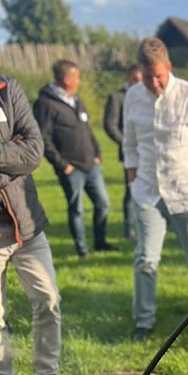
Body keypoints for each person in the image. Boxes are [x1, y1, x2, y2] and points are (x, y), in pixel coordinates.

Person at [0, 72, 85, 375]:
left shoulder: (7, 88)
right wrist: (10, 152)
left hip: (27, 220)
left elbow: (33, 151)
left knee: (48, 298)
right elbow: (19, 153)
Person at [123, 38, 188, 342]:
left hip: (187, 191)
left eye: (159, 76)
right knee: (145, 258)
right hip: (148, 192)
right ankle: (144, 320)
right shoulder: (133, 97)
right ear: (140, 71)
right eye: (148, 77)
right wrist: (133, 182)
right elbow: (130, 145)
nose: (155, 83)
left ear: (169, 68)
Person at [34, 60, 115, 258]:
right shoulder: (45, 104)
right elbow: (43, 138)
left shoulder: (76, 100)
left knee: (103, 204)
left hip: (90, 165)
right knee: (77, 209)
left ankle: (100, 242)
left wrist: (97, 154)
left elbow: (86, 129)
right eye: (76, 76)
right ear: (66, 79)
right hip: (71, 169)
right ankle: (82, 249)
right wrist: (63, 165)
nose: (79, 80)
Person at [104, 64, 143, 240]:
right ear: (128, 78)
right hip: (130, 152)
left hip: (148, 150)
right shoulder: (117, 97)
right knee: (131, 190)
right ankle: (130, 229)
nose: (138, 83)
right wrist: (127, 143)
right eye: (135, 80)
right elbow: (110, 125)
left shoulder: (145, 95)